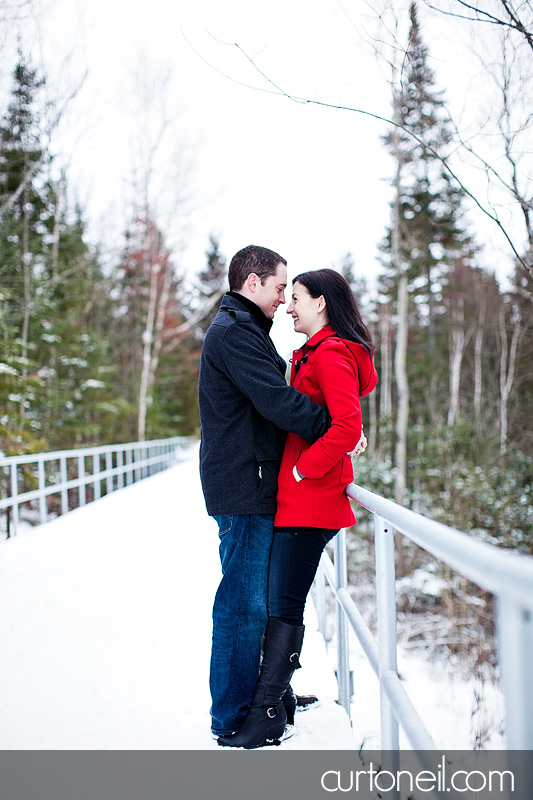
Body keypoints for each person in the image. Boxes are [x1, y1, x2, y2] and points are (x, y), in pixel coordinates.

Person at [218, 268, 377, 749]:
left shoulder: (329, 352)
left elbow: (345, 426)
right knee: (277, 600)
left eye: (298, 298)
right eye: (284, 295)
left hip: (311, 499)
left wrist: (307, 470)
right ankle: (277, 699)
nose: (288, 305)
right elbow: (339, 421)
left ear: (322, 303)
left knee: (282, 603)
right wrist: (336, 439)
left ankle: (266, 710)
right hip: (298, 499)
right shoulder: (311, 353)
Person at [198, 245, 332, 741]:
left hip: (251, 482)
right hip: (243, 486)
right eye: (279, 288)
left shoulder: (244, 330)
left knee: (258, 598)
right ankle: (233, 717)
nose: (284, 299)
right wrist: (334, 425)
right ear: (252, 283)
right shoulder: (234, 333)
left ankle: (267, 695)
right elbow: (277, 400)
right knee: (242, 603)